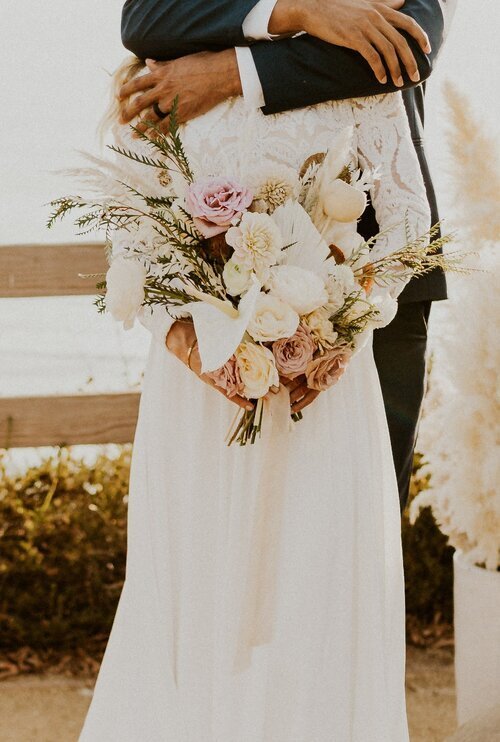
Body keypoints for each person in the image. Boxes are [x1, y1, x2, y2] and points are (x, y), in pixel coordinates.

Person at [79, 2, 453, 740]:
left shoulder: (355, 56)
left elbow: (409, 36)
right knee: (200, 580)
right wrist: (192, 341)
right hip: (204, 380)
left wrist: (341, 326)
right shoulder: (164, 77)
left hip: (354, 334)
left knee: (330, 573)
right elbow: (147, 17)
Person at [118, 0, 456, 510]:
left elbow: (407, 44)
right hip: (215, 294)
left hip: (374, 280)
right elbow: (145, 17)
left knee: (355, 519)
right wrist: (299, 12)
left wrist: (231, 72)